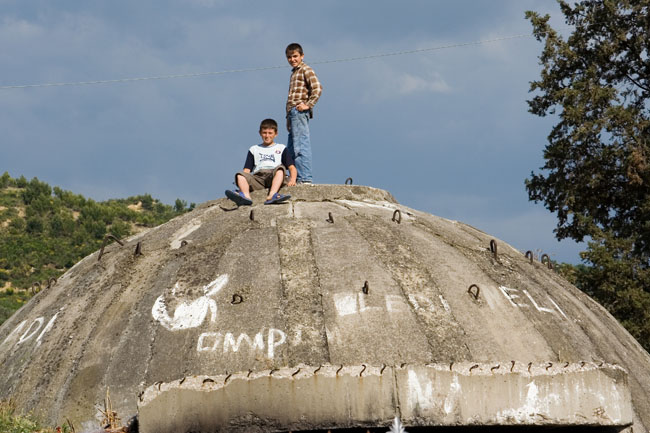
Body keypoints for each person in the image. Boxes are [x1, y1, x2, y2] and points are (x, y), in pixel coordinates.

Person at [225, 118, 297, 206]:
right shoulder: (254, 149)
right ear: (260, 133)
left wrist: (293, 179)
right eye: (264, 133)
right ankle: (245, 197)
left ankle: (272, 195)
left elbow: (291, 167)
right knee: (239, 175)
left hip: (274, 175)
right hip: (258, 178)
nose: (267, 136)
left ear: (276, 134)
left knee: (281, 169)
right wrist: (241, 184)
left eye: (270, 133)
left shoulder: (281, 148)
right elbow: (246, 170)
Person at [285, 42, 322, 184]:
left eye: (295, 56)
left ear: (302, 56)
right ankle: (294, 178)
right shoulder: (295, 73)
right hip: (292, 114)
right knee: (291, 150)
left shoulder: (306, 69)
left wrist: (308, 105)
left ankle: (305, 178)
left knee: (301, 146)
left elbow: (317, 88)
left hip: (299, 112)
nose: (292, 59)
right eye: (289, 57)